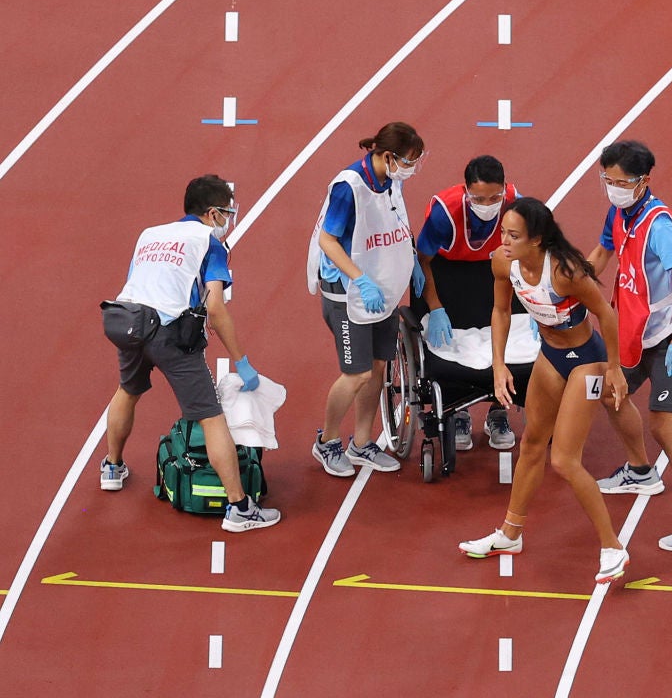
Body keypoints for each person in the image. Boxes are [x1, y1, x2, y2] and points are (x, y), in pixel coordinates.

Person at [458, 197, 630, 583]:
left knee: (564, 460)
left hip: (586, 360)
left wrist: (615, 369)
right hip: (550, 356)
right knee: (532, 444)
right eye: (502, 231)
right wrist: (498, 364)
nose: (504, 240)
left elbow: (606, 313)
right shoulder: (503, 262)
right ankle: (510, 534)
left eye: (513, 235)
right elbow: (501, 311)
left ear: (536, 241)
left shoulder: (566, 272)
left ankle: (612, 547)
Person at [99, 174, 280, 532]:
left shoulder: (149, 234)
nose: (229, 220)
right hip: (166, 332)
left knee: (128, 390)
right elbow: (215, 306)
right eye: (227, 213)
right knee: (211, 417)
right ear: (212, 213)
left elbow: (142, 280)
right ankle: (239, 508)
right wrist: (241, 360)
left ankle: (112, 467)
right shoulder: (210, 242)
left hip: (126, 321)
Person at [588, 140, 672, 552]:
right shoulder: (619, 210)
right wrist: (571, 290)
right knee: (609, 393)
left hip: (668, 337)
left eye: (620, 181)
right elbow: (600, 254)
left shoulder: (659, 226)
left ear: (643, 181)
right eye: (607, 180)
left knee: (664, 426)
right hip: (634, 331)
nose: (612, 187)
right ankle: (640, 471)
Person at [308, 122, 426, 477]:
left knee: (377, 367)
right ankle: (326, 442)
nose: (411, 168)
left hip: (382, 290)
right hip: (348, 292)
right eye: (408, 161)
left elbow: (397, 224)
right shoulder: (349, 187)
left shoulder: (392, 181)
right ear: (388, 155)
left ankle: (362, 443)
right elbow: (328, 241)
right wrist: (360, 279)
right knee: (356, 373)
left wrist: (413, 258)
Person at [415, 155, 521, 451]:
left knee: (515, 343)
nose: (487, 204)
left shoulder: (515, 206)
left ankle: (497, 412)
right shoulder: (444, 213)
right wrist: (436, 308)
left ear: (504, 188)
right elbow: (423, 261)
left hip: (493, 273)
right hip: (448, 275)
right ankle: (457, 410)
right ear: (466, 190)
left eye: (494, 197)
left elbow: (530, 256)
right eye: (478, 198)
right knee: (451, 350)